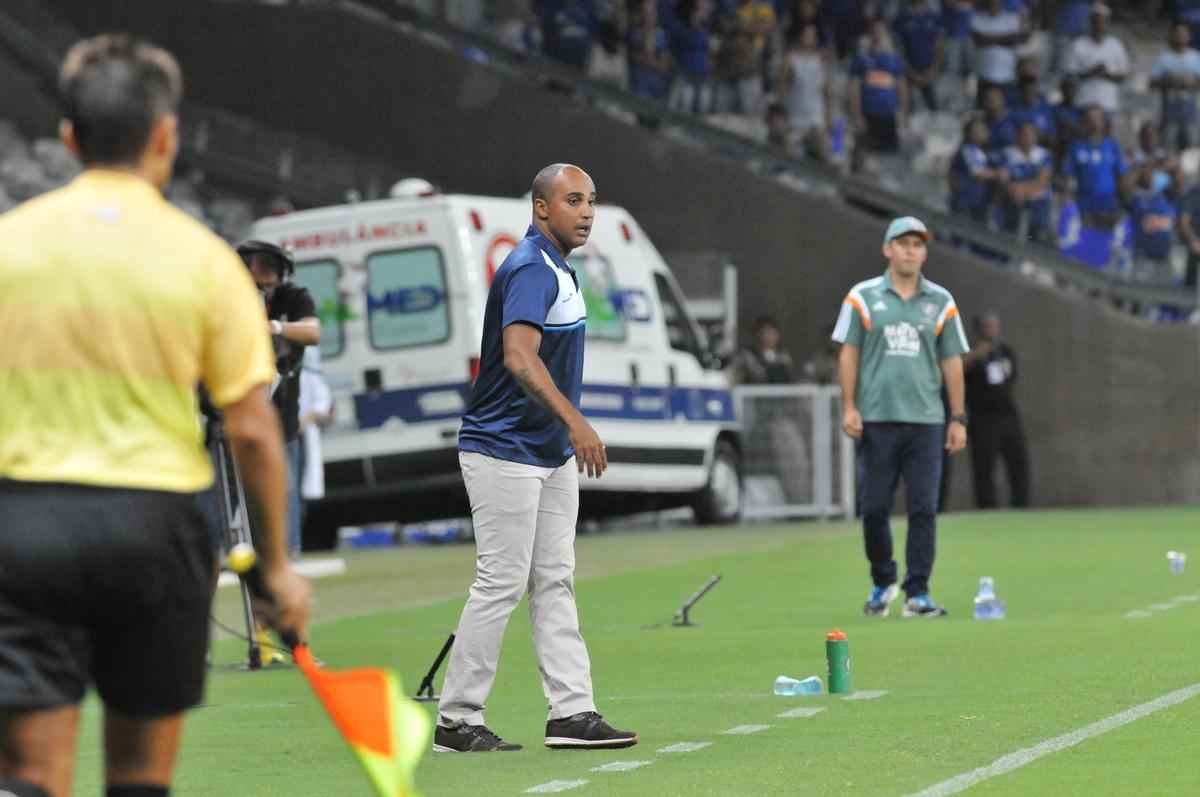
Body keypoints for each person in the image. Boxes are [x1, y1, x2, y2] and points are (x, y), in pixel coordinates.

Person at [0, 34, 310, 797]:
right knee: (139, 780)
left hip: (26, 528)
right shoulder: (204, 260)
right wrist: (275, 568)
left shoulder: (11, 244)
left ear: (69, 139)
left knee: (31, 776)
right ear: (166, 136)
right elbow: (252, 428)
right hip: (155, 529)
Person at [435, 163, 637, 753]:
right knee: (501, 582)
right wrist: (576, 422)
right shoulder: (529, 266)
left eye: (591, 200)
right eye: (573, 200)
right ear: (541, 207)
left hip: (546, 453)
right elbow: (519, 357)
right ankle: (456, 720)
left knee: (554, 580)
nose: (587, 211)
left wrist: (563, 433)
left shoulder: (559, 267)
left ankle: (571, 713)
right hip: (504, 448)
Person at [832, 216, 969, 618]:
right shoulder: (862, 297)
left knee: (923, 508)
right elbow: (849, 354)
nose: (911, 251)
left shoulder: (941, 301)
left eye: (917, 245)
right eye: (903, 243)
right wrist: (849, 406)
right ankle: (882, 580)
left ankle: (918, 592)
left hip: (926, 421)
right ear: (887, 249)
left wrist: (958, 417)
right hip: (877, 418)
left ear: (924, 253)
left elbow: (952, 361)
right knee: (874, 507)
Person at [237, 240, 321, 557]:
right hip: (238, 409)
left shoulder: (293, 298)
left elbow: (313, 332)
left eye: (266, 265)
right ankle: (234, 548)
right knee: (234, 485)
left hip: (281, 408)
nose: (258, 271)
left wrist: (273, 327)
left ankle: (286, 551)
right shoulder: (230, 298)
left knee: (283, 484)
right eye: (253, 264)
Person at [962, 312, 1029, 508]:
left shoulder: (1005, 352)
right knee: (984, 466)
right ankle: (987, 508)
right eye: (987, 326)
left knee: (1018, 461)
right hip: (983, 417)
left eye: (994, 325)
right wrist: (975, 356)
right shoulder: (969, 352)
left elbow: (1011, 377)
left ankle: (1021, 506)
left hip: (1007, 415)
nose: (991, 330)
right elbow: (955, 372)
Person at [849, 19, 906, 172]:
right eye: (875, 32)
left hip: (889, 114)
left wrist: (902, 111)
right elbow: (854, 89)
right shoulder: (861, 58)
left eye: (881, 32)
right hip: (869, 113)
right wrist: (857, 115)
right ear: (870, 34)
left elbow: (901, 87)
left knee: (889, 153)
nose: (878, 35)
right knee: (866, 151)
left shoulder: (894, 59)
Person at [1063, 105, 1128, 232]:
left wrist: (1124, 203)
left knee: (1106, 241)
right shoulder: (1076, 146)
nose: (1094, 122)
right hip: (1084, 207)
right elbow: (1069, 177)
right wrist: (1069, 205)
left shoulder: (1112, 146)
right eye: (1090, 119)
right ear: (1084, 122)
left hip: (1109, 206)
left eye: (1097, 118)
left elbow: (1122, 176)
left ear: (1103, 122)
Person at [1065, 3, 1128, 117]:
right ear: (1090, 22)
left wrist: (1106, 74)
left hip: (1109, 104)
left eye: (1102, 21)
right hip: (1084, 103)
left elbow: (1123, 76)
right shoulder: (1078, 44)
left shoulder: (1116, 45)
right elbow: (1070, 76)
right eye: (1096, 21)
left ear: (1107, 23)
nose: (1099, 25)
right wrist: (1091, 72)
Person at [1150, 21, 1200, 152]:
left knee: (1192, 151)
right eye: (1177, 33)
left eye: (1183, 33)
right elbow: (1152, 83)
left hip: (1191, 113)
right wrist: (1169, 80)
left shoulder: (1196, 57)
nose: (1180, 36)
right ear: (1172, 35)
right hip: (1169, 114)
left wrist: (1192, 82)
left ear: (1189, 36)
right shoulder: (1163, 58)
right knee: (1168, 148)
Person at [1001, 121, 1053, 243]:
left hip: (1035, 195)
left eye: (1030, 135)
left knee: (1037, 233)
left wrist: (1022, 189)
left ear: (1036, 137)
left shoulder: (1044, 155)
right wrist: (1013, 189)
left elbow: (1043, 180)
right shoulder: (1007, 153)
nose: (1027, 138)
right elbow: (1003, 178)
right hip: (1012, 195)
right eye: (1024, 134)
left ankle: (1037, 237)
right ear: (1018, 136)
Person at [970, 0, 1027, 104]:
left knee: (1007, 107)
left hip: (1007, 75)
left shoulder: (1011, 19)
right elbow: (979, 40)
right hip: (984, 75)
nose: (993, 3)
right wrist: (1004, 39)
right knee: (984, 107)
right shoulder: (977, 18)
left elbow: (1015, 39)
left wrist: (988, 39)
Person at [892, 0, 945, 112]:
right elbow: (898, 51)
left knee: (935, 110)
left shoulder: (934, 17)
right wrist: (910, 72)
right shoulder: (901, 19)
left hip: (930, 73)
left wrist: (934, 70)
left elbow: (939, 47)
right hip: (909, 74)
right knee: (909, 111)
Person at [734, 315, 797, 383]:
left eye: (773, 333)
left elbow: (789, 377)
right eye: (766, 333)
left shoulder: (783, 356)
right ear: (757, 334)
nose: (769, 337)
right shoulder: (746, 356)